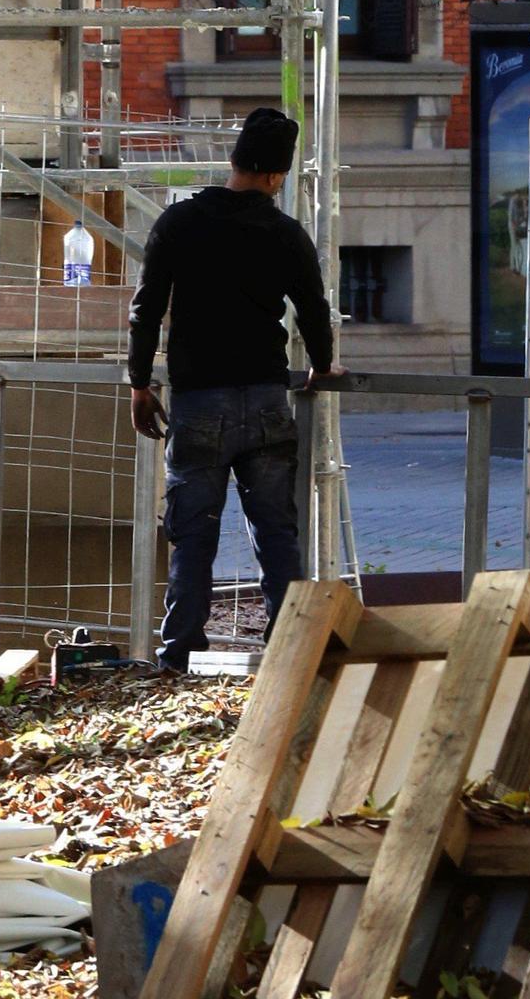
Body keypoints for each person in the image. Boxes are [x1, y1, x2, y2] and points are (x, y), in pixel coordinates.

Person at [127, 107, 343, 669]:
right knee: (276, 533)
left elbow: (146, 307)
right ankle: (288, 649)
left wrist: (139, 382)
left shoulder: (179, 223)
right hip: (268, 399)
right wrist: (322, 367)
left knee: (192, 533)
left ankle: (178, 652)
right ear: (276, 176)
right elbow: (315, 311)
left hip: (199, 401)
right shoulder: (286, 234)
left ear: (234, 161)